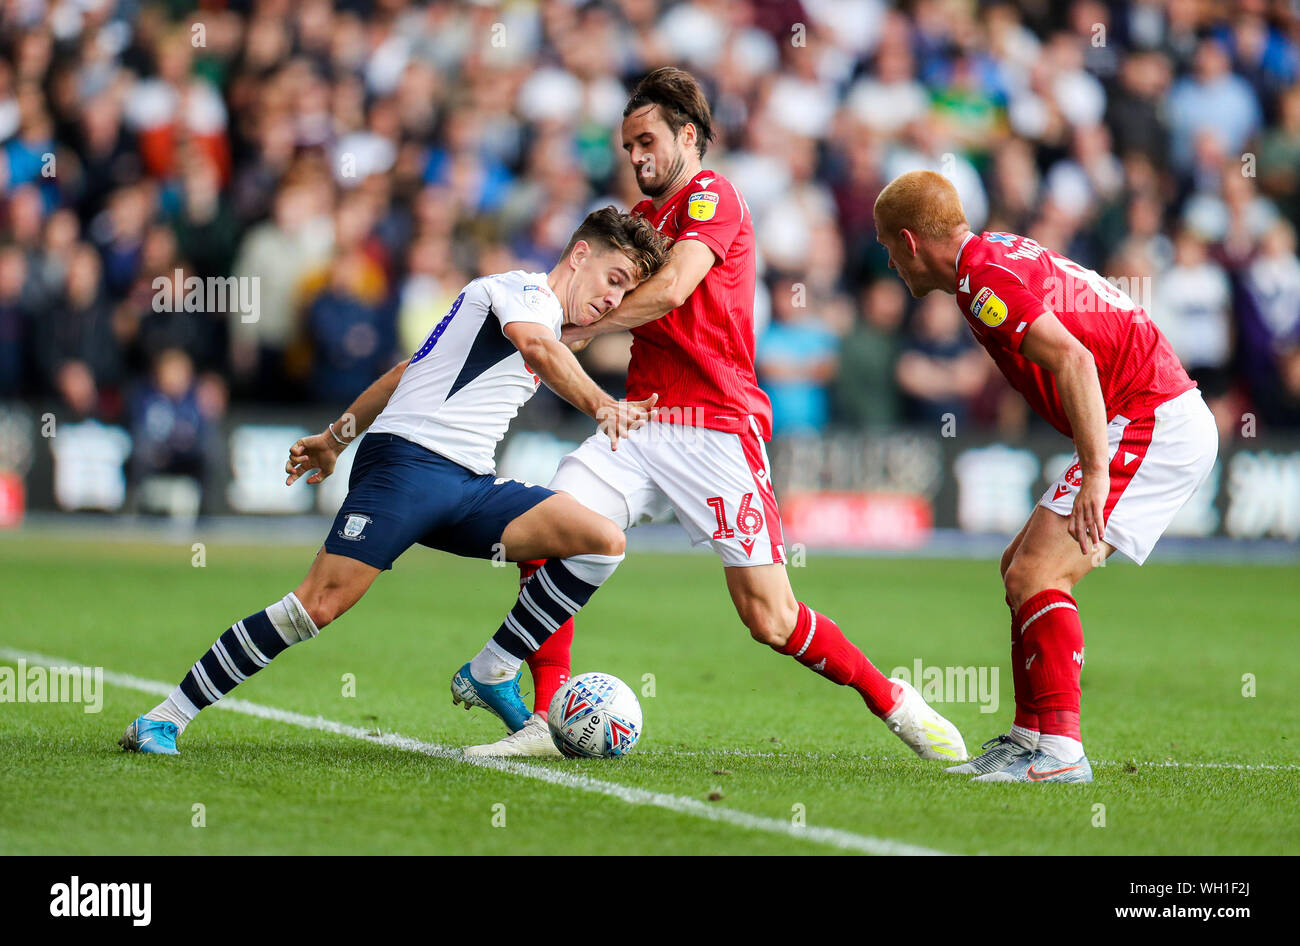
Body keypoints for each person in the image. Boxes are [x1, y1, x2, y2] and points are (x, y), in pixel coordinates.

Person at [463, 68, 967, 764]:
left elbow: (671, 290)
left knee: (771, 618)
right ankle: (545, 717)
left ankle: (894, 702)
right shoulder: (636, 224)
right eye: (626, 145)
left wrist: (574, 335)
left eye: (648, 141)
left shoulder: (713, 196)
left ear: (689, 136)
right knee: (551, 526)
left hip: (716, 427)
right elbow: (578, 291)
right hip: (640, 420)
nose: (635, 157)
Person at [118, 208, 668, 754]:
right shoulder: (521, 291)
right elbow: (539, 348)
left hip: (469, 486)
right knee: (317, 605)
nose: (612, 299)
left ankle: (493, 670)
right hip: (406, 467)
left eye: (624, 292)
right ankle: (164, 717)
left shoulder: (549, 324)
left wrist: (334, 439)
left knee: (602, 540)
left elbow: (409, 371)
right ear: (578, 255)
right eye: (613, 280)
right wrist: (601, 403)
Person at [873, 170, 1218, 783]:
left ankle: (1061, 752)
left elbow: (1075, 360)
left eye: (886, 247)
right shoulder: (989, 257)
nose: (889, 263)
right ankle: (1029, 738)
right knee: (1018, 569)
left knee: (1040, 572)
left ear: (908, 240)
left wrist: (1094, 475)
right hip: (1138, 413)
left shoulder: (982, 280)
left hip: (1151, 418)